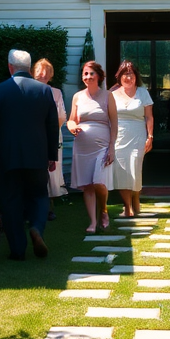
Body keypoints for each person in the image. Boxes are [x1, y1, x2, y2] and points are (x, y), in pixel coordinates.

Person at [0, 49, 59, 260]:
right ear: (29, 67)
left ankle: (17, 250)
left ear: (10, 67)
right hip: (37, 156)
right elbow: (52, 125)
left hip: (7, 158)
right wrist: (52, 155)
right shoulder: (44, 91)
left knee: (10, 201)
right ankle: (36, 227)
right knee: (39, 195)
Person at [68, 60, 117, 233]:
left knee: (99, 182)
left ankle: (103, 210)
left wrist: (112, 147)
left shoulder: (108, 96)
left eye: (91, 73)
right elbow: (71, 119)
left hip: (102, 146)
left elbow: (114, 123)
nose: (88, 77)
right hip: (82, 147)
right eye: (85, 74)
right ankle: (92, 222)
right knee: (87, 185)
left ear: (99, 76)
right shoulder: (77, 96)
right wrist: (72, 126)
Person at [110, 60, 154, 217]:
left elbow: (149, 116)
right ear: (119, 77)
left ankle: (136, 198)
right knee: (122, 172)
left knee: (135, 170)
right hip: (119, 137)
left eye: (131, 74)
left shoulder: (143, 92)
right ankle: (127, 206)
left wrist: (150, 136)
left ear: (136, 76)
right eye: (125, 75)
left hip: (138, 136)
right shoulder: (112, 94)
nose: (128, 78)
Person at [34, 58, 68, 218]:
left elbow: (62, 115)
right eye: (40, 74)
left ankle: (49, 206)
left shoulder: (56, 92)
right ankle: (35, 206)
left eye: (46, 74)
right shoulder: (30, 90)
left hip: (53, 134)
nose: (43, 77)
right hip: (35, 134)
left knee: (53, 171)